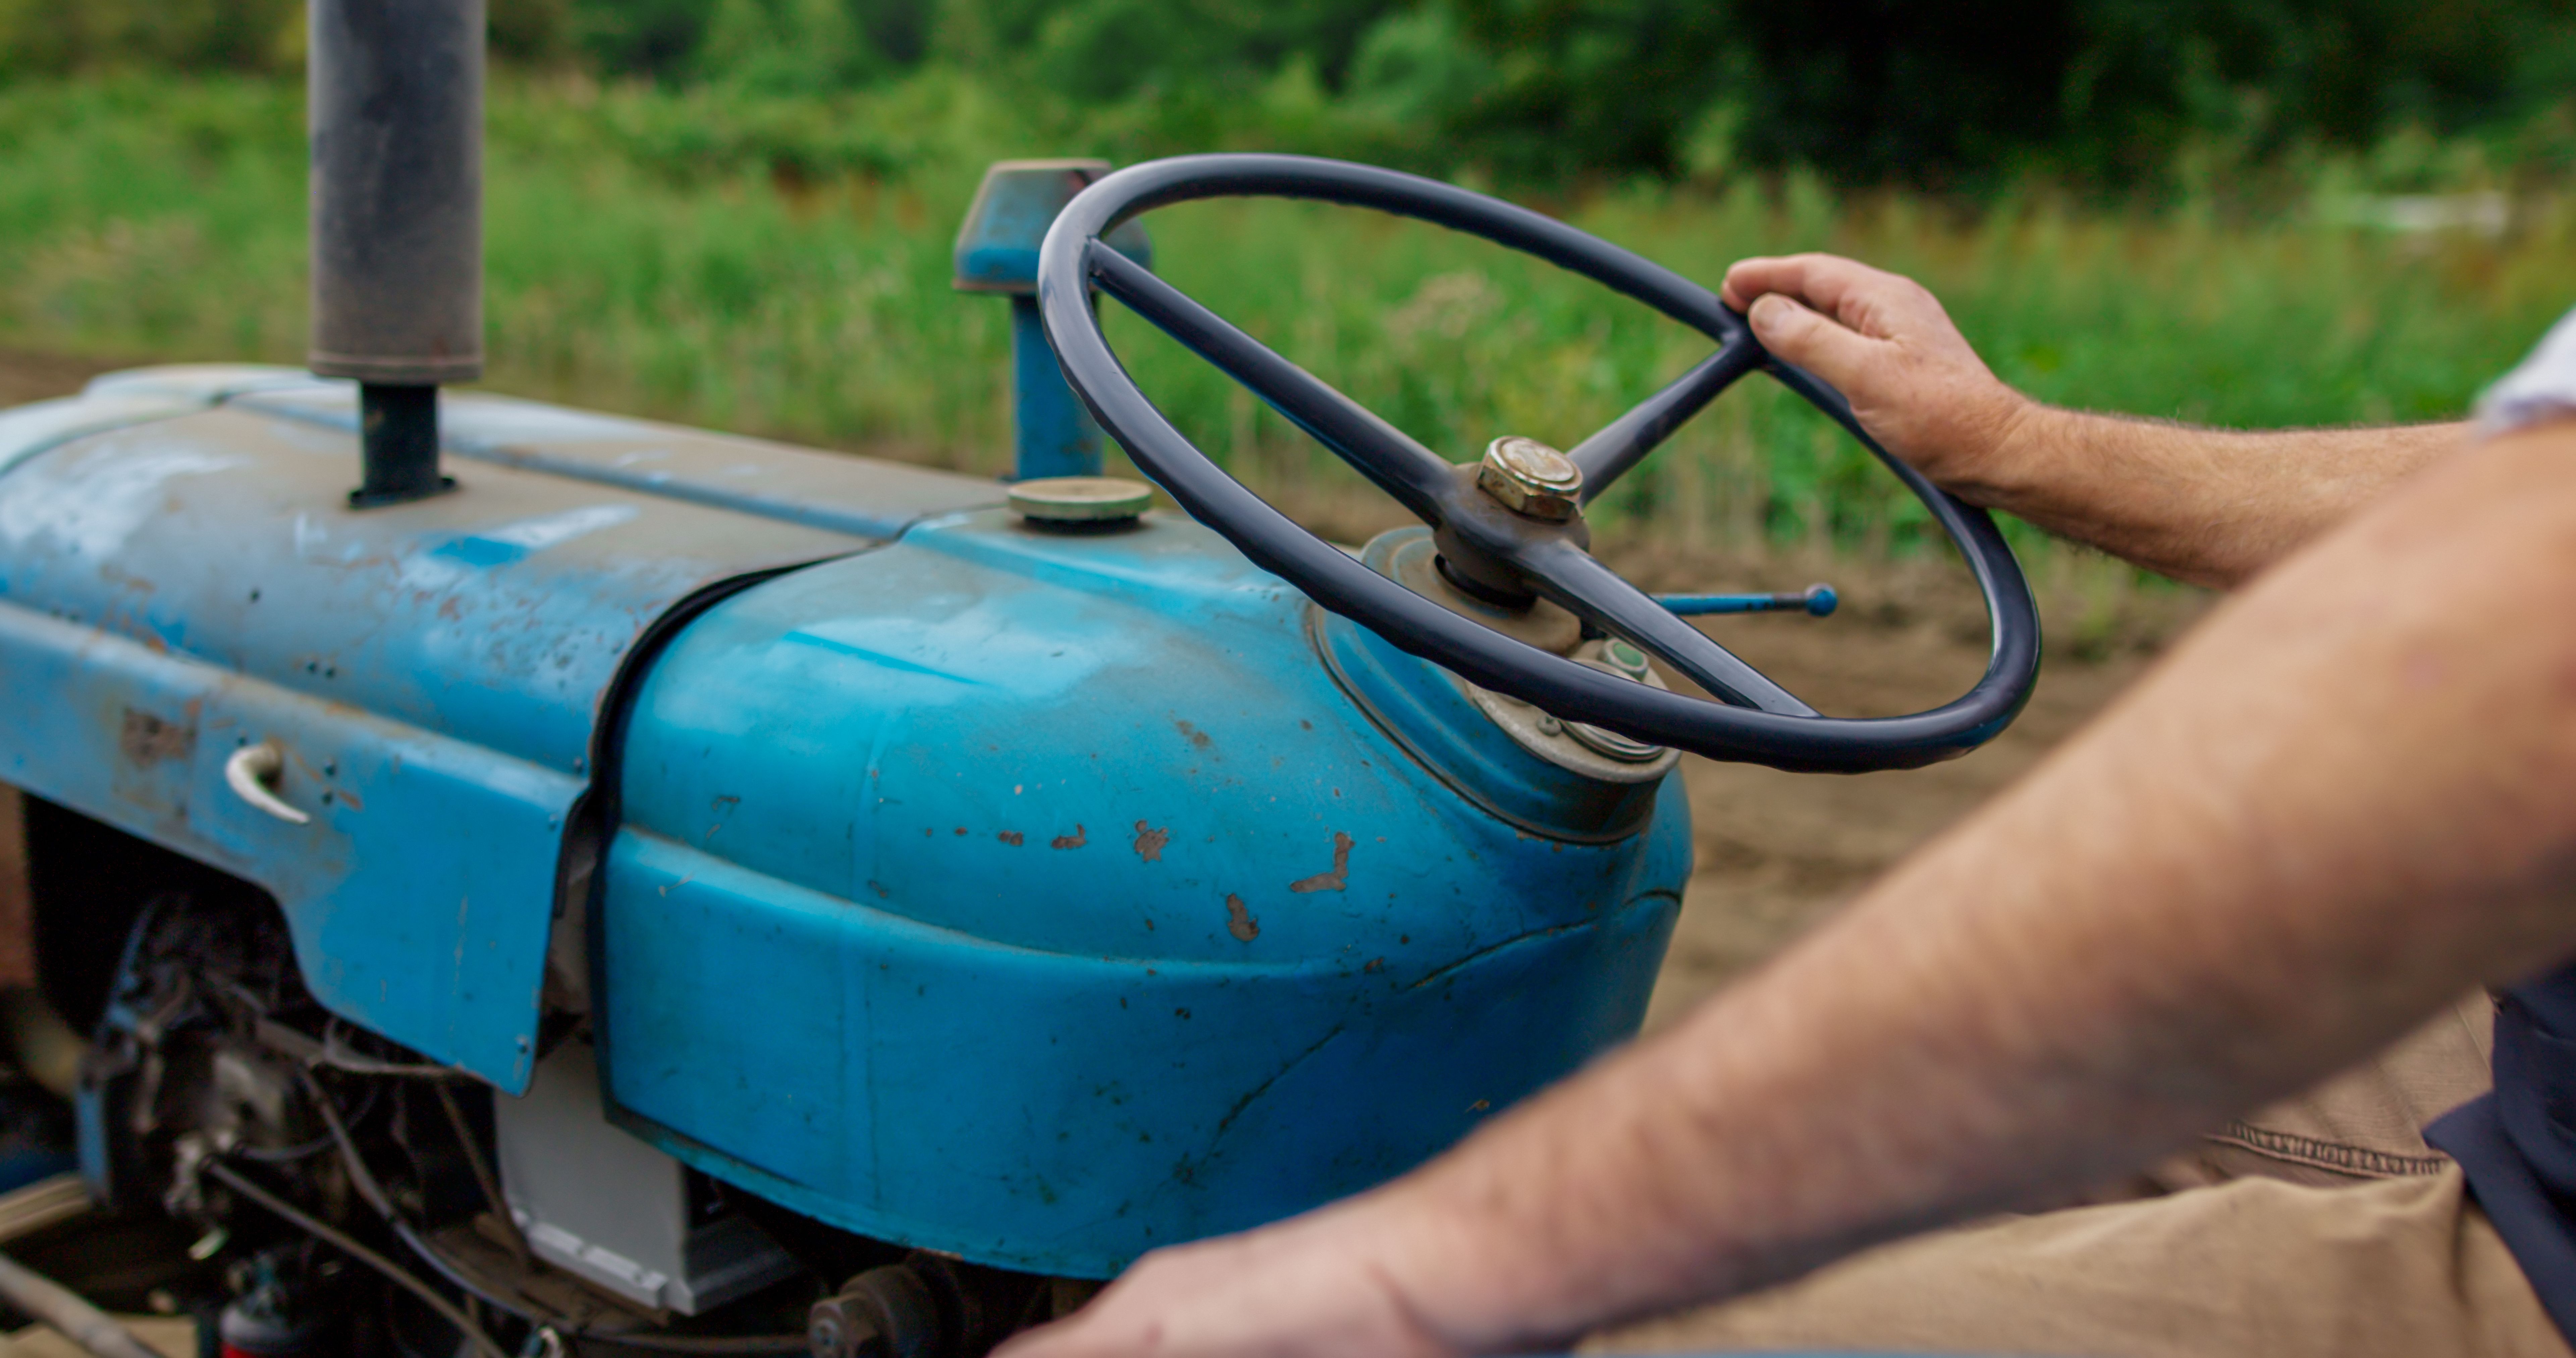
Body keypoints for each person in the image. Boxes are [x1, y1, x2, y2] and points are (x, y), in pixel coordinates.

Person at [994, 253, 2576, 1358]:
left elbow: (2513, 632)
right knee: (1867, 1162)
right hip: (2539, 1079)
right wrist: (2011, 446)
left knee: (1588, 1327)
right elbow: (2530, 479)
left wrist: (1445, 1259)